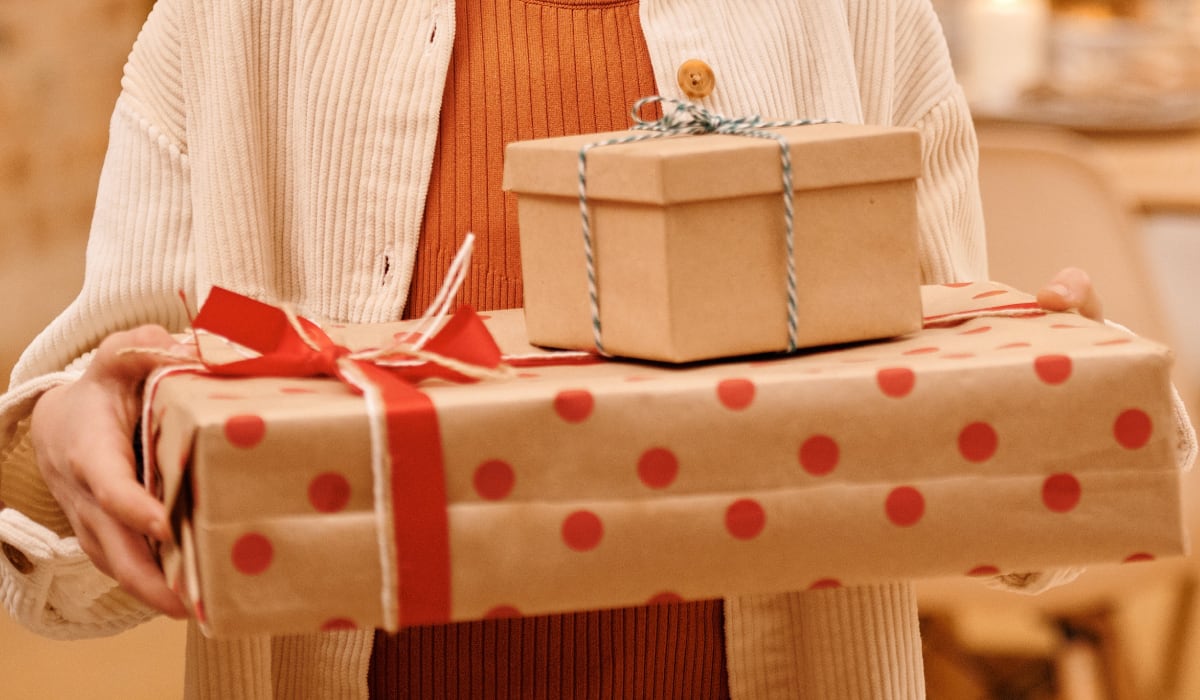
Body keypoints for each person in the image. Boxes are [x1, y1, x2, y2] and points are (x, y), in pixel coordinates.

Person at [1, 0, 1189, 698]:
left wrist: (1054, 401)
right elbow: (81, 492)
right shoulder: (232, 24)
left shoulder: (851, 13)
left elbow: (942, 418)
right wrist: (61, 433)